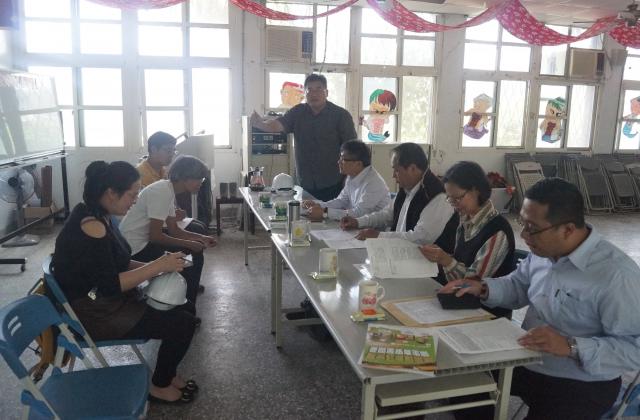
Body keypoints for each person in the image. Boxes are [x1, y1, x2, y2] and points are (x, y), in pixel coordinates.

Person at [440, 178, 640, 420]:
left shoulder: (617, 275)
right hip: (526, 359)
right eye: (522, 223)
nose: (524, 235)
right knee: (463, 381)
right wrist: (482, 288)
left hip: (580, 382)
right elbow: (517, 286)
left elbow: (634, 349)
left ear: (568, 229)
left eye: (532, 228)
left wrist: (571, 346)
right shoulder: (544, 252)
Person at [52, 160, 198, 404]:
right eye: (132, 194)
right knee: (183, 323)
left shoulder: (97, 215)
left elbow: (117, 263)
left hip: (102, 300)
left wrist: (159, 266)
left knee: (187, 308)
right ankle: (160, 386)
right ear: (111, 193)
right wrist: (156, 267)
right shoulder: (92, 226)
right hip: (94, 313)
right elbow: (110, 285)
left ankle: (168, 373)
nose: (135, 200)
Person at [119, 155, 217, 317]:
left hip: (143, 240)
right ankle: (186, 306)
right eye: (199, 179)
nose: (201, 183)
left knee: (192, 251)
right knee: (190, 257)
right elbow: (155, 236)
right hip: (135, 248)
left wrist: (201, 238)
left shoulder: (168, 189)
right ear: (185, 178)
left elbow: (174, 230)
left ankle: (186, 300)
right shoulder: (162, 191)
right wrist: (191, 244)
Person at [420, 161, 514, 318]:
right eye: (450, 199)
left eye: (457, 198)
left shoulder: (498, 230)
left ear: (476, 190)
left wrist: (445, 260)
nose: (454, 205)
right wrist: (442, 256)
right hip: (459, 304)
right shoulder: (465, 218)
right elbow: (461, 260)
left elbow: (472, 284)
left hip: (486, 314)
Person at [250, 73, 357, 201]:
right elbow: (278, 125)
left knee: (331, 213)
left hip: (334, 183)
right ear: (305, 94)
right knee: (305, 213)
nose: (314, 94)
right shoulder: (297, 112)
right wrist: (260, 124)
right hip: (304, 183)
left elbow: (352, 149)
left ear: (326, 92)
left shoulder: (341, 115)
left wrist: (349, 178)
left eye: (318, 89)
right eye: (309, 90)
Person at [341, 143, 458, 251]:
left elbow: (420, 238)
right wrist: (358, 222)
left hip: (426, 263)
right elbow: (387, 214)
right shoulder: (408, 188)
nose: (393, 175)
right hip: (400, 254)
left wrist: (379, 236)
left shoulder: (437, 197)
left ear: (412, 169)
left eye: (397, 170)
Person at [301, 140, 390, 221]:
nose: (339, 162)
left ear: (358, 164)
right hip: (356, 225)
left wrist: (325, 212)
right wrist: (317, 205)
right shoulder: (352, 176)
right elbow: (341, 201)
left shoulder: (373, 183)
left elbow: (359, 213)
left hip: (373, 229)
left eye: (343, 159)